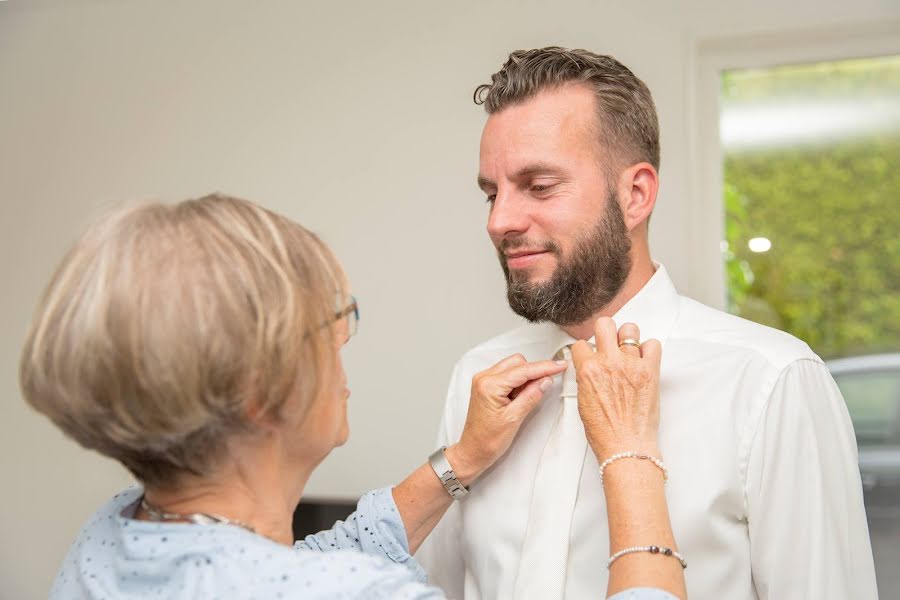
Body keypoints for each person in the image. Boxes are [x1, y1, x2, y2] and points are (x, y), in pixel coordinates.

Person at [21, 194, 684, 599]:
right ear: (262, 391)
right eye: (329, 323)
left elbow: (285, 570)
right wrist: (629, 457)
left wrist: (461, 459)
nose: (345, 340)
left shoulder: (113, 533)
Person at [416, 47, 878, 600]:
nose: (500, 221)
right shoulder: (480, 375)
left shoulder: (771, 380)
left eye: (539, 186)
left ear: (635, 195)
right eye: (493, 193)